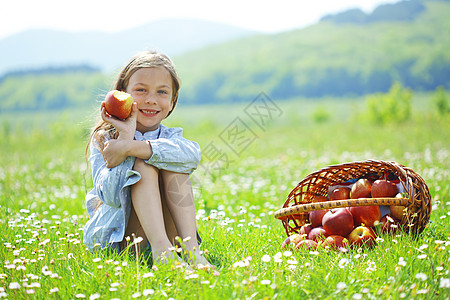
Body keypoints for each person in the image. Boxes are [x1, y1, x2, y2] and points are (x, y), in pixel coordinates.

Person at [83, 50, 211, 267]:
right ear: (123, 94)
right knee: (143, 164)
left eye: (162, 92)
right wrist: (124, 138)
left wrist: (131, 146)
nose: (151, 100)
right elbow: (111, 198)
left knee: (171, 159)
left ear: (172, 101)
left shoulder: (170, 137)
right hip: (123, 240)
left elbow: (192, 156)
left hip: (173, 238)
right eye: (141, 90)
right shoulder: (106, 140)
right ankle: (162, 255)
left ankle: (192, 252)